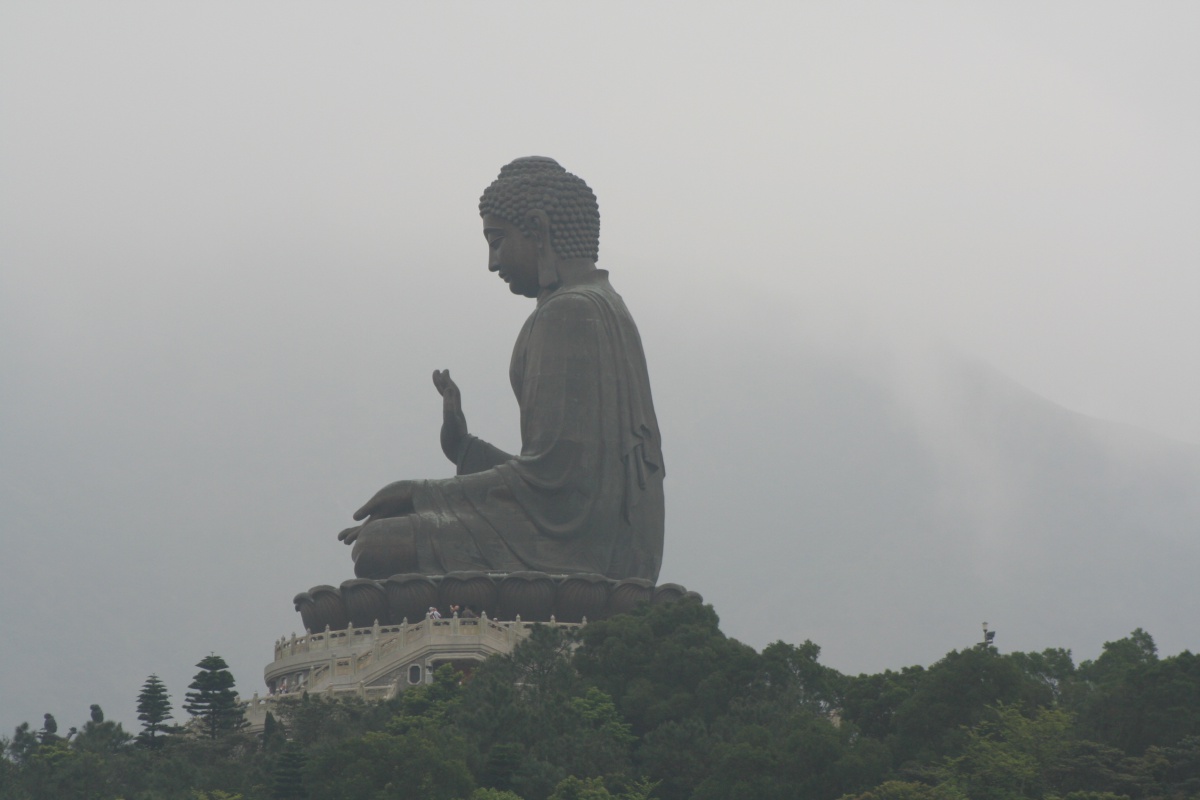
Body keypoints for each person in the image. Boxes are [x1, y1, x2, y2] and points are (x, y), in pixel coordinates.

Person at [338, 157, 664, 582]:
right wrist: (464, 448)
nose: (492, 263)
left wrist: (420, 493)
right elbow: (558, 478)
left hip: (578, 550)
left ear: (538, 229)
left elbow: (554, 487)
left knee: (377, 547)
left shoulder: (568, 313)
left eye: (497, 241)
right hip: (609, 546)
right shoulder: (604, 305)